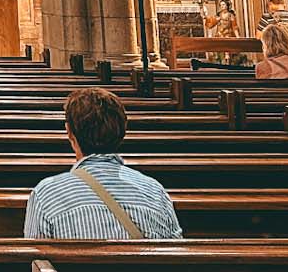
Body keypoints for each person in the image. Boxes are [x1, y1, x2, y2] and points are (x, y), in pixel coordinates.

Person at [24, 88, 182, 239]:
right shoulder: (155, 192)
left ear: (69, 133)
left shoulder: (46, 195)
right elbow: (178, 255)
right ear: (122, 131)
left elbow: (36, 262)